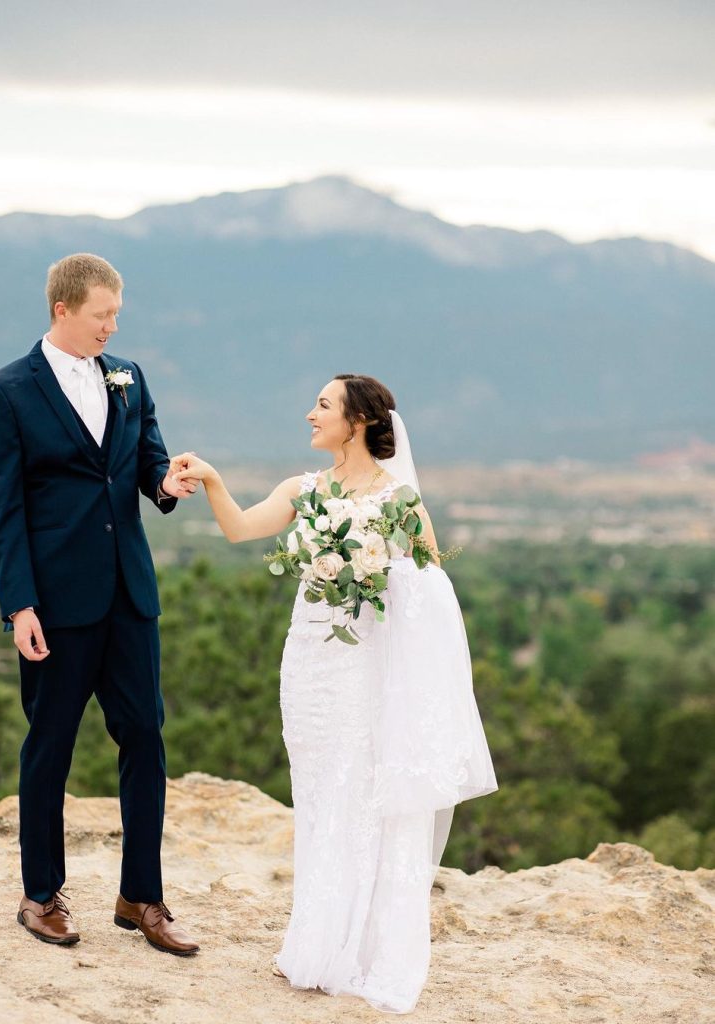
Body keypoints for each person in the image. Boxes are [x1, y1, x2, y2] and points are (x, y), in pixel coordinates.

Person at [170, 373, 498, 1013]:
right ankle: (318, 942)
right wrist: (211, 479)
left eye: (322, 406)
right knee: (319, 793)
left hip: (367, 668)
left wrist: (378, 573)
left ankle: (365, 950)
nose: (309, 415)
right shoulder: (304, 490)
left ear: (358, 422)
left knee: (359, 793)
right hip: (309, 664)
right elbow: (240, 529)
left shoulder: (400, 500)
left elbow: (432, 590)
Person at [0, 253, 200, 955]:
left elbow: (146, 469)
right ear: (63, 310)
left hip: (130, 596)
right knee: (50, 746)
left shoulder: (128, 377)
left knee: (145, 739)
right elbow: (2, 509)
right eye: (102, 315)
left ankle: (142, 898)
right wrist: (20, 606)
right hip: (55, 604)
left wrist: (171, 481)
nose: (112, 327)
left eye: (116, 316)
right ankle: (40, 895)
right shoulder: (6, 390)